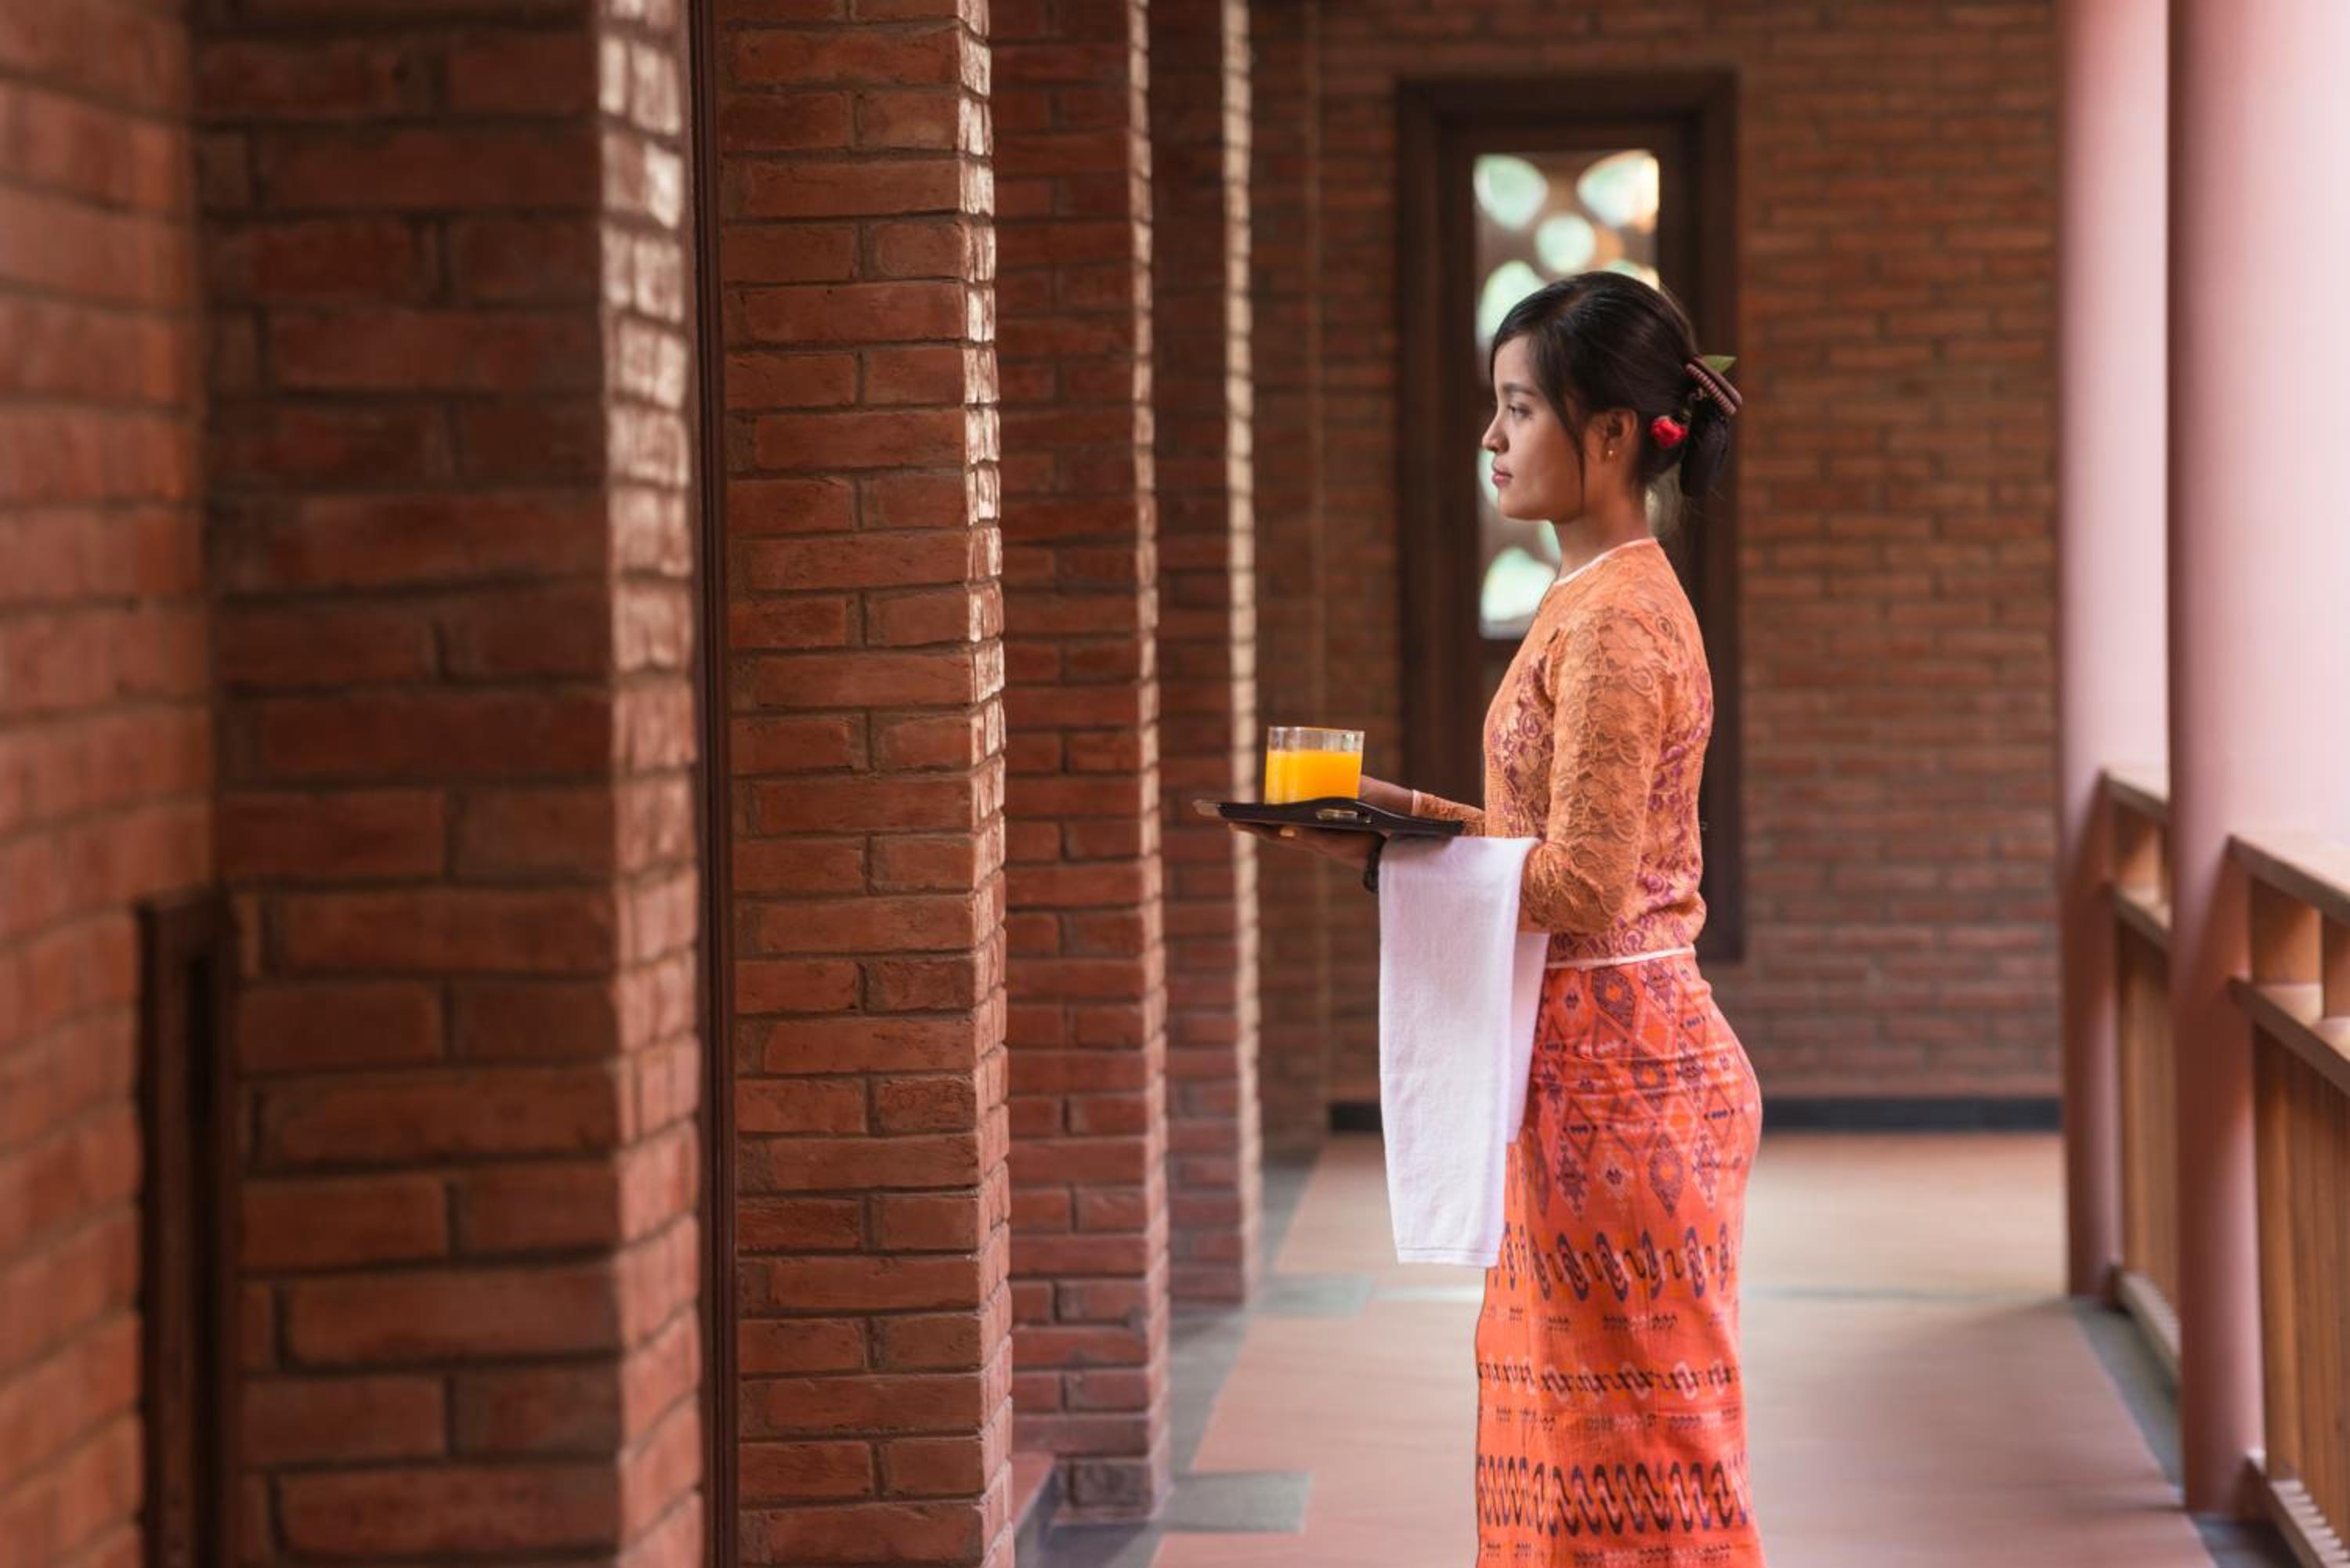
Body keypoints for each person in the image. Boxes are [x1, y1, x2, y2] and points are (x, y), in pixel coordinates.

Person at [1236, 271, 1768, 1563]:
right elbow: (1560, 843)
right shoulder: (1593, 599)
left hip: (1621, 1089)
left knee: (1640, 1469)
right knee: (1582, 1459)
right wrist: (1397, 816)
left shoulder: (1619, 618)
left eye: (1519, 408)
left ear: (1610, 434)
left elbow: (1585, 884)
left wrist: (1408, 861)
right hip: (1584, 1070)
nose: (1491, 436)